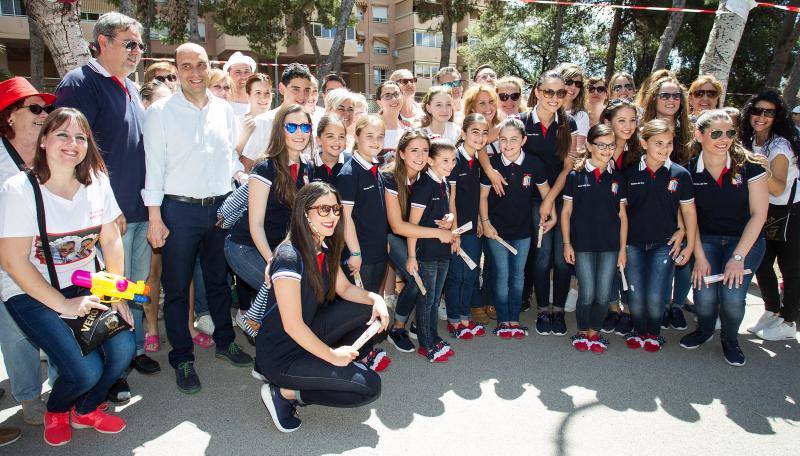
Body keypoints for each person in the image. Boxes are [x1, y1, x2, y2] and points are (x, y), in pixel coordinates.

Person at [0, 107, 135, 446]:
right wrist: (63, 304)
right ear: (44, 140)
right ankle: (58, 409)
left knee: (123, 349)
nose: (72, 143)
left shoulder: (96, 182)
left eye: (80, 137)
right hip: (29, 290)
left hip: (84, 283)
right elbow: (13, 262)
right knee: (83, 371)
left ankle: (86, 409)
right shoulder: (19, 189)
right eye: (62, 134)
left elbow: (111, 241)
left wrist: (118, 294)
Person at [54, 12, 158, 399]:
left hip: (135, 212)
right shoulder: (81, 83)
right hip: (101, 220)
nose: (137, 52)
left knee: (129, 291)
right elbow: (69, 153)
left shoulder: (129, 88)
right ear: (102, 41)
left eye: (140, 45)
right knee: (106, 294)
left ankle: (122, 360)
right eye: (129, 43)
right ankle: (107, 375)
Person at [143, 43, 252, 394]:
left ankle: (225, 342)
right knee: (177, 289)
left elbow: (229, 157)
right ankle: (182, 357)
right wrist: (155, 217)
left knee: (220, 282)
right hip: (179, 211)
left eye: (200, 65)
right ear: (176, 70)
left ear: (209, 68)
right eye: (186, 65)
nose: (194, 72)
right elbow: (154, 169)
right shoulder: (160, 112)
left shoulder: (222, 110)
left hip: (220, 209)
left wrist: (240, 177)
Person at [253, 182, 387, 432]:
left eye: (336, 209)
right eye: (323, 210)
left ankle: (319, 368)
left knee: (368, 312)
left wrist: (376, 299)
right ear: (304, 212)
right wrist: (332, 356)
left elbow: (345, 289)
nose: (333, 216)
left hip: (307, 334)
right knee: (369, 386)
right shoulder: (289, 257)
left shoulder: (322, 245)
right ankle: (285, 393)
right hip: (282, 355)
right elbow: (292, 325)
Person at [680, 109, 769, 367]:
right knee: (705, 296)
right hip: (705, 238)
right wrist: (698, 256)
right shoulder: (688, 171)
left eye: (729, 132)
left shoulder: (750, 167)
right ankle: (705, 329)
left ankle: (730, 339)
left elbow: (759, 215)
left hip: (745, 241)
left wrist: (738, 257)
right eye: (716, 133)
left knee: (731, 296)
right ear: (699, 135)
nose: (724, 138)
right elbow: (689, 218)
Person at [0, 77, 56, 426]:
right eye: (34, 108)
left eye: (45, 108)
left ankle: (63, 388)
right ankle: (29, 397)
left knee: (55, 324)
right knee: (15, 333)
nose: (43, 114)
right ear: (9, 116)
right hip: (7, 260)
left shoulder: (49, 150)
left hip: (51, 257)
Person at [622, 119, 697, 352]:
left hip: (664, 245)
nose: (664, 148)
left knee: (656, 297)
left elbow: (687, 210)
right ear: (644, 143)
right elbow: (621, 211)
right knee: (635, 296)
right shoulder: (630, 172)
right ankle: (637, 329)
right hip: (632, 244)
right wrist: (620, 246)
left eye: (668, 143)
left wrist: (689, 244)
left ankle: (653, 332)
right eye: (658, 143)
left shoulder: (680, 174)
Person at [225, 103, 313, 296]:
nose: (300, 133)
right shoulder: (265, 168)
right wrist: (272, 262)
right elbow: (255, 224)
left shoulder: (308, 167)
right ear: (279, 130)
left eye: (305, 127)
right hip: (246, 248)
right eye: (292, 127)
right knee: (284, 294)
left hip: (278, 247)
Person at [480, 117, 555, 339]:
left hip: (523, 232)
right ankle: (504, 320)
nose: (508, 144)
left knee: (518, 276)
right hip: (496, 232)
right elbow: (483, 197)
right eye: (503, 140)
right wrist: (485, 223)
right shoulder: (492, 165)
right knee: (502, 275)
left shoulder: (534, 164)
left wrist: (553, 216)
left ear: (523, 140)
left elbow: (546, 193)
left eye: (514, 139)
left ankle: (515, 320)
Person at [383, 130, 454, 353]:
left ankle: (420, 325)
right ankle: (397, 328)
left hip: (415, 235)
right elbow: (397, 226)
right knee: (418, 278)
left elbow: (436, 210)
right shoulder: (390, 178)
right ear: (401, 153)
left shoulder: (428, 177)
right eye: (414, 150)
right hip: (388, 235)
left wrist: (448, 219)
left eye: (424, 150)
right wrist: (438, 233)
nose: (420, 155)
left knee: (424, 283)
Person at [561, 124, 628, 353]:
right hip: (582, 245)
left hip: (610, 246)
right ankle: (581, 331)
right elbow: (566, 212)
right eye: (601, 145)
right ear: (589, 145)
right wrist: (567, 243)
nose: (607, 149)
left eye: (611, 145)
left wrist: (622, 249)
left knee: (602, 293)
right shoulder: (575, 175)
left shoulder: (617, 178)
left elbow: (622, 216)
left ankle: (595, 332)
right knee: (587, 292)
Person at [740, 90, 800, 340]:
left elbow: (777, 186)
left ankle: (789, 320)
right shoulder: (751, 139)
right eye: (757, 111)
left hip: (787, 211)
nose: (761, 116)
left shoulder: (779, 145)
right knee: (762, 264)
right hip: (761, 210)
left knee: (790, 267)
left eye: (769, 112)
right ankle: (772, 311)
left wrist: (760, 167)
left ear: (778, 116)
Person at [521, 71, 578, 337]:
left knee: (563, 259)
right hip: (532, 199)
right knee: (542, 258)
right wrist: (544, 202)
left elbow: (568, 167)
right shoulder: (520, 122)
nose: (554, 98)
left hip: (561, 197)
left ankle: (558, 310)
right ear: (537, 91)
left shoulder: (570, 123)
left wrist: (550, 201)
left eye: (560, 93)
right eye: (548, 92)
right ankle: (543, 309)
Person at [406, 139, 458, 362]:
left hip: (442, 251)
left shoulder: (443, 182)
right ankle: (426, 345)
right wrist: (411, 255)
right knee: (426, 300)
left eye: (453, 160)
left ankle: (433, 336)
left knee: (436, 299)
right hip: (425, 253)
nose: (450, 164)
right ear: (430, 161)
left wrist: (450, 219)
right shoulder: (423, 186)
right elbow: (412, 224)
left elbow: (446, 213)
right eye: (445, 160)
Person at [443, 114, 491, 340]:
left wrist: (481, 220)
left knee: (471, 273)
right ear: (463, 134)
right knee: (457, 276)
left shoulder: (480, 161)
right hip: (458, 230)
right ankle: (454, 319)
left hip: (473, 229)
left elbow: (478, 197)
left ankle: (464, 315)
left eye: (484, 133)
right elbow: (451, 199)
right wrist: (455, 231)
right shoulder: (455, 159)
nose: (480, 137)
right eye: (475, 132)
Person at [599, 99, 640, 335]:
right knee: (610, 264)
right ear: (608, 122)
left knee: (628, 263)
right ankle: (613, 307)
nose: (628, 126)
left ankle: (629, 310)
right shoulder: (598, 149)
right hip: (605, 219)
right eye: (621, 120)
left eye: (632, 120)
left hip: (634, 216)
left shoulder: (639, 151)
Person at [242, 63, 313, 163]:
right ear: (281, 88)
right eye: (295, 89)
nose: (302, 95)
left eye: (307, 90)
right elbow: (247, 164)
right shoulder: (264, 122)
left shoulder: (311, 122)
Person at [236, 73, 273, 172]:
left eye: (267, 93)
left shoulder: (277, 121)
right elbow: (230, 157)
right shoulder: (237, 122)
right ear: (248, 96)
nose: (263, 98)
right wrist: (245, 135)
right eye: (258, 93)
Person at [554, 63, 590, 148]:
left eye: (578, 84)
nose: (573, 87)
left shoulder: (581, 116)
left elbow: (576, 150)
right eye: (569, 82)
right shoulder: (544, 111)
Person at [375, 81, 408, 163]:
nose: (394, 99)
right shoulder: (372, 127)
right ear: (379, 103)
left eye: (397, 94)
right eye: (387, 96)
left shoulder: (407, 129)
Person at [311, 114, 350, 185]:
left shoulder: (352, 163)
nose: (337, 141)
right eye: (330, 136)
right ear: (318, 140)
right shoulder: (309, 165)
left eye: (341, 136)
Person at [223, 51, 257, 116]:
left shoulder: (259, 100)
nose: (243, 76)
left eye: (247, 72)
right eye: (238, 72)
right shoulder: (222, 100)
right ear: (228, 75)